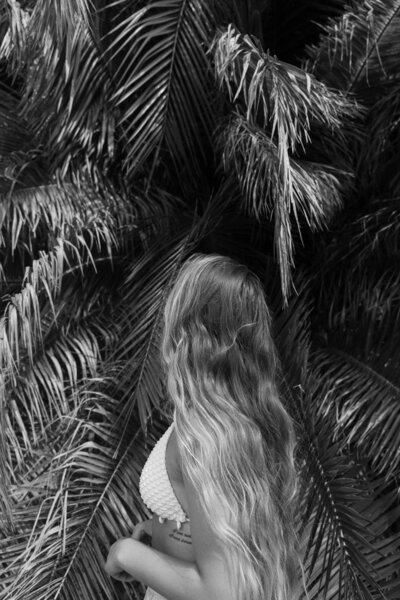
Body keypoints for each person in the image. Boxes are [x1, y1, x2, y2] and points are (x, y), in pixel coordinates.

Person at [105, 253, 301, 600]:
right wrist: (155, 528)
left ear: (188, 328)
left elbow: (221, 592)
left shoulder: (200, 438)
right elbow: (222, 531)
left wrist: (127, 553)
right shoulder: (243, 421)